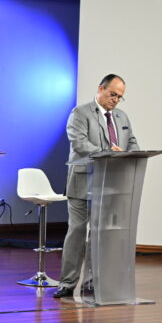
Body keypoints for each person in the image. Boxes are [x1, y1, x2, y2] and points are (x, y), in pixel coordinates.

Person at [54, 74, 139, 298]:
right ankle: (67, 283)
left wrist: (129, 153)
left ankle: (91, 283)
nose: (116, 100)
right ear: (101, 89)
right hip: (83, 182)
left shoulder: (121, 116)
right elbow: (80, 144)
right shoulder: (80, 113)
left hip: (110, 183)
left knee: (99, 235)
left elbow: (131, 141)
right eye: (113, 94)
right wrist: (109, 153)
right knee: (77, 233)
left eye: (120, 97)